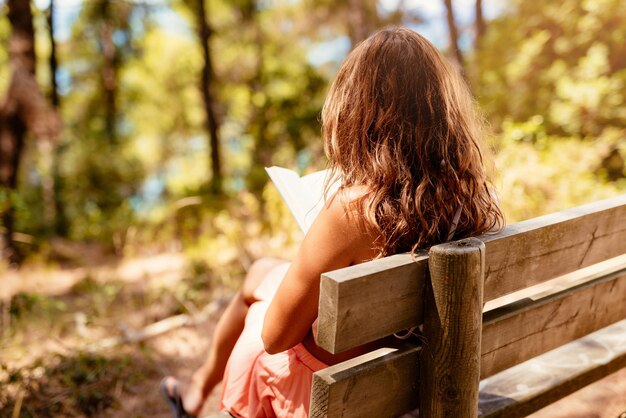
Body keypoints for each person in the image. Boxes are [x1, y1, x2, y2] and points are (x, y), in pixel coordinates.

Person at [160, 27, 504, 418]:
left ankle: (199, 397)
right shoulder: (474, 200)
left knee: (259, 320)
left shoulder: (356, 210)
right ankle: (196, 394)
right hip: (423, 382)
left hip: (353, 398)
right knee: (262, 274)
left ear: (358, 111)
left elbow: (277, 338)